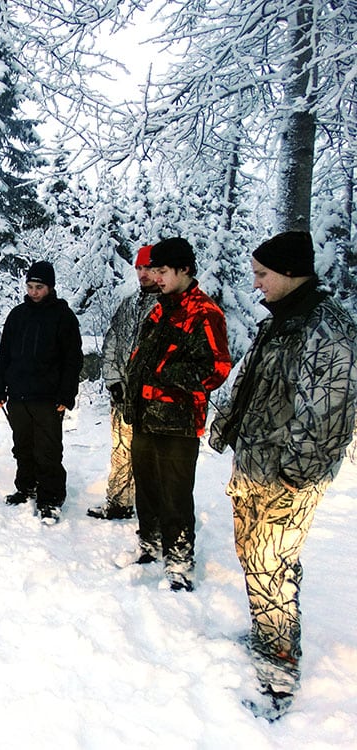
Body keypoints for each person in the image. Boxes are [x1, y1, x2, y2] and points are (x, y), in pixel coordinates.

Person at [209, 230, 357, 718]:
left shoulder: (327, 330)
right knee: (254, 557)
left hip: (287, 477)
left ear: (291, 273)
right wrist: (225, 422)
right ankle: (267, 634)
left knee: (273, 563)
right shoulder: (281, 322)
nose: (256, 285)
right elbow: (250, 376)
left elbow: (329, 414)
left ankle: (279, 672)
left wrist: (295, 474)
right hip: (254, 463)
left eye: (262, 275)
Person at [122, 237, 231, 591]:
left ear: (184, 270)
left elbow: (217, 368)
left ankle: (180, 558)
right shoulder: (159, 308)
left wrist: (168, 375)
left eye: (163, 271)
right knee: (147, 489)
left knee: (175, 494)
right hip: (144, 416)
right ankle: (150, 543)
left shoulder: (205, 313)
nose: (156, 278)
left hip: (177, 422)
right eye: (153, 270)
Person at [0, 261, 83, 523]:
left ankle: (51, 498)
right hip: (19, 395)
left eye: (39, 287)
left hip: (48, 398)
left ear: (50, 287)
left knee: (48, 449)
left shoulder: (63, 317)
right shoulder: (17, 315)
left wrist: (67, 395)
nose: (33, 292)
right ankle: (26, 487)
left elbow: (72, 360)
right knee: (23, 446)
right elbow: (4, 354)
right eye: (30, 286)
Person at [88, 245, 160, 520]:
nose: (143, 274)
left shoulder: (166, 306)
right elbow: (112, 342)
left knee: (151, 460)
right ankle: (119, 503)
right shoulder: (129, 304)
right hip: (123, 398)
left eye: (149, 268)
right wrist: (113, 380)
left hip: (152, 401)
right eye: (139, 268)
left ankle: (153, 516)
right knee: (121, 452)